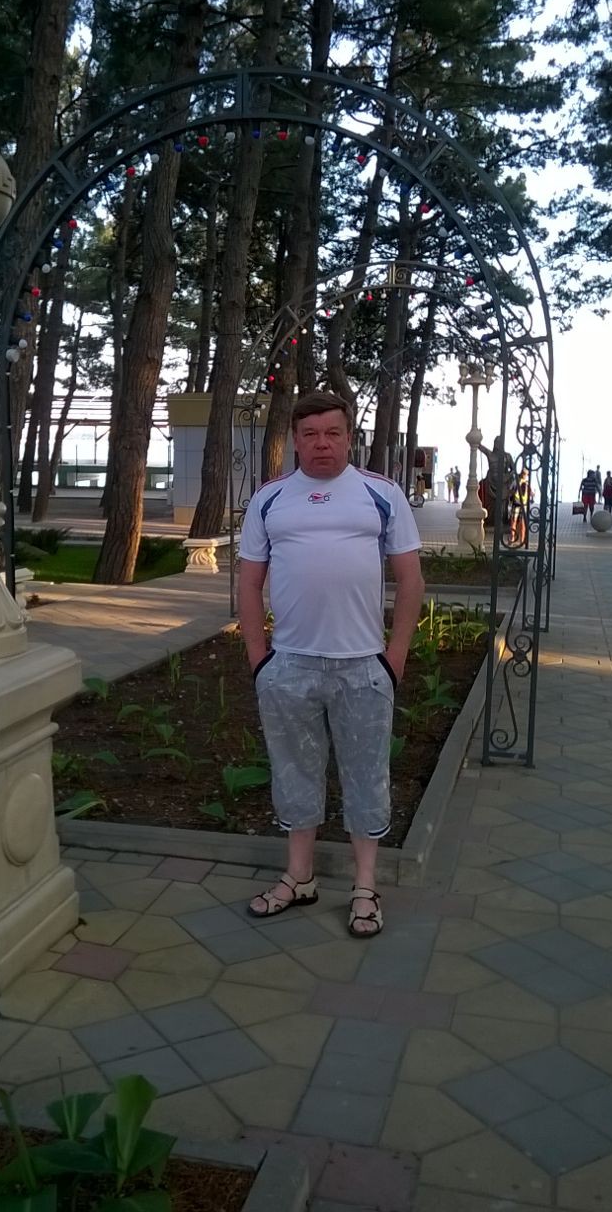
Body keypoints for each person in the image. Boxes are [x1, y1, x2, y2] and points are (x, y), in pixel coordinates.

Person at [238, 391, 424, 937]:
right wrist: (259, 658)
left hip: (363, 667)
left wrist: (395, 656)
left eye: (333, 433)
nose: (322, 444)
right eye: (311, 434)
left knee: (367, 776)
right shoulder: (270, 500)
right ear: (296, 440)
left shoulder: (381, 495)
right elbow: (248, 584)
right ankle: (299, 877)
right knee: (293, 773)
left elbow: (411, 579)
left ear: (349, 437)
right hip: (289, 666)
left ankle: (365, 887)